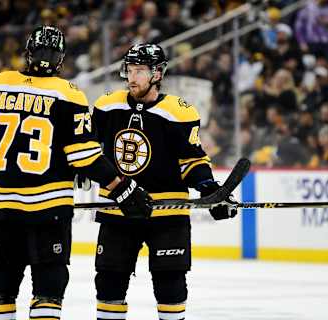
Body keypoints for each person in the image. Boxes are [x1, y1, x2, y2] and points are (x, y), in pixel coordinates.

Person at [0, 26, 152, 320]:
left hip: (3, 209)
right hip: (48, 211)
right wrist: (123, 188)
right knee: (48, 289)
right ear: (61, 58)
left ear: (28, 51)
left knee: (1, 289)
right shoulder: (68, 95)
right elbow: (87, 158)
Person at [91, 43, 238, 320]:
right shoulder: (106, 106)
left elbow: (192, 162)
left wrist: (210, 189)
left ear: (157, 74)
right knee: (109, 283)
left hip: (167, 213)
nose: (132, 77)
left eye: (139, 71)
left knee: (170, 285)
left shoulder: (179, 112)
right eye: (129, 70)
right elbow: (86, 150)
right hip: (118, 210)